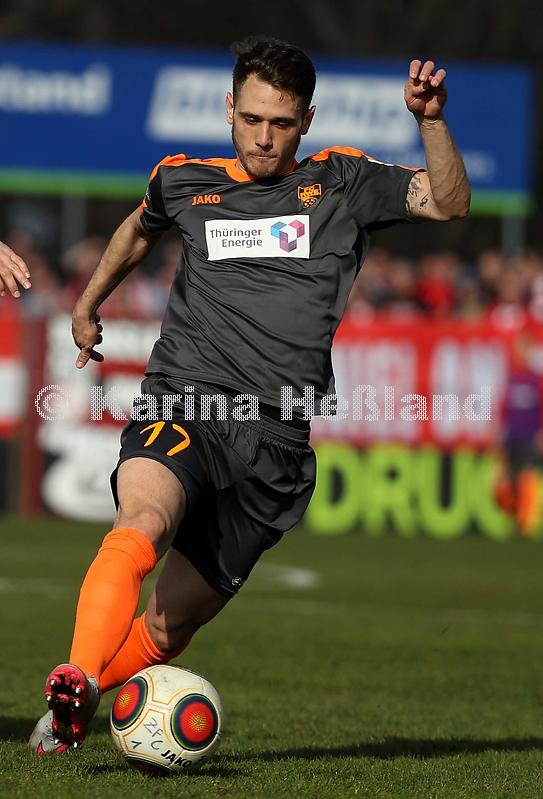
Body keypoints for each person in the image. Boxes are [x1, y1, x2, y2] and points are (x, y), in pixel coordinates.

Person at [29, 36, 470, 754]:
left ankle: (76, 704)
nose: (264, 137)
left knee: (169, 625)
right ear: (230, 108)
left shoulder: (342, 182)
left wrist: (431, 121)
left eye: (282, 123)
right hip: (187, 401)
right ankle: (76, 673)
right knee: (143, 519)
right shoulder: (183, 180)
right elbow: (139, 230)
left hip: (274, 444)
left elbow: (449, 203)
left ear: (306, 121)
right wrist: (87, 303)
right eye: (252, 118)